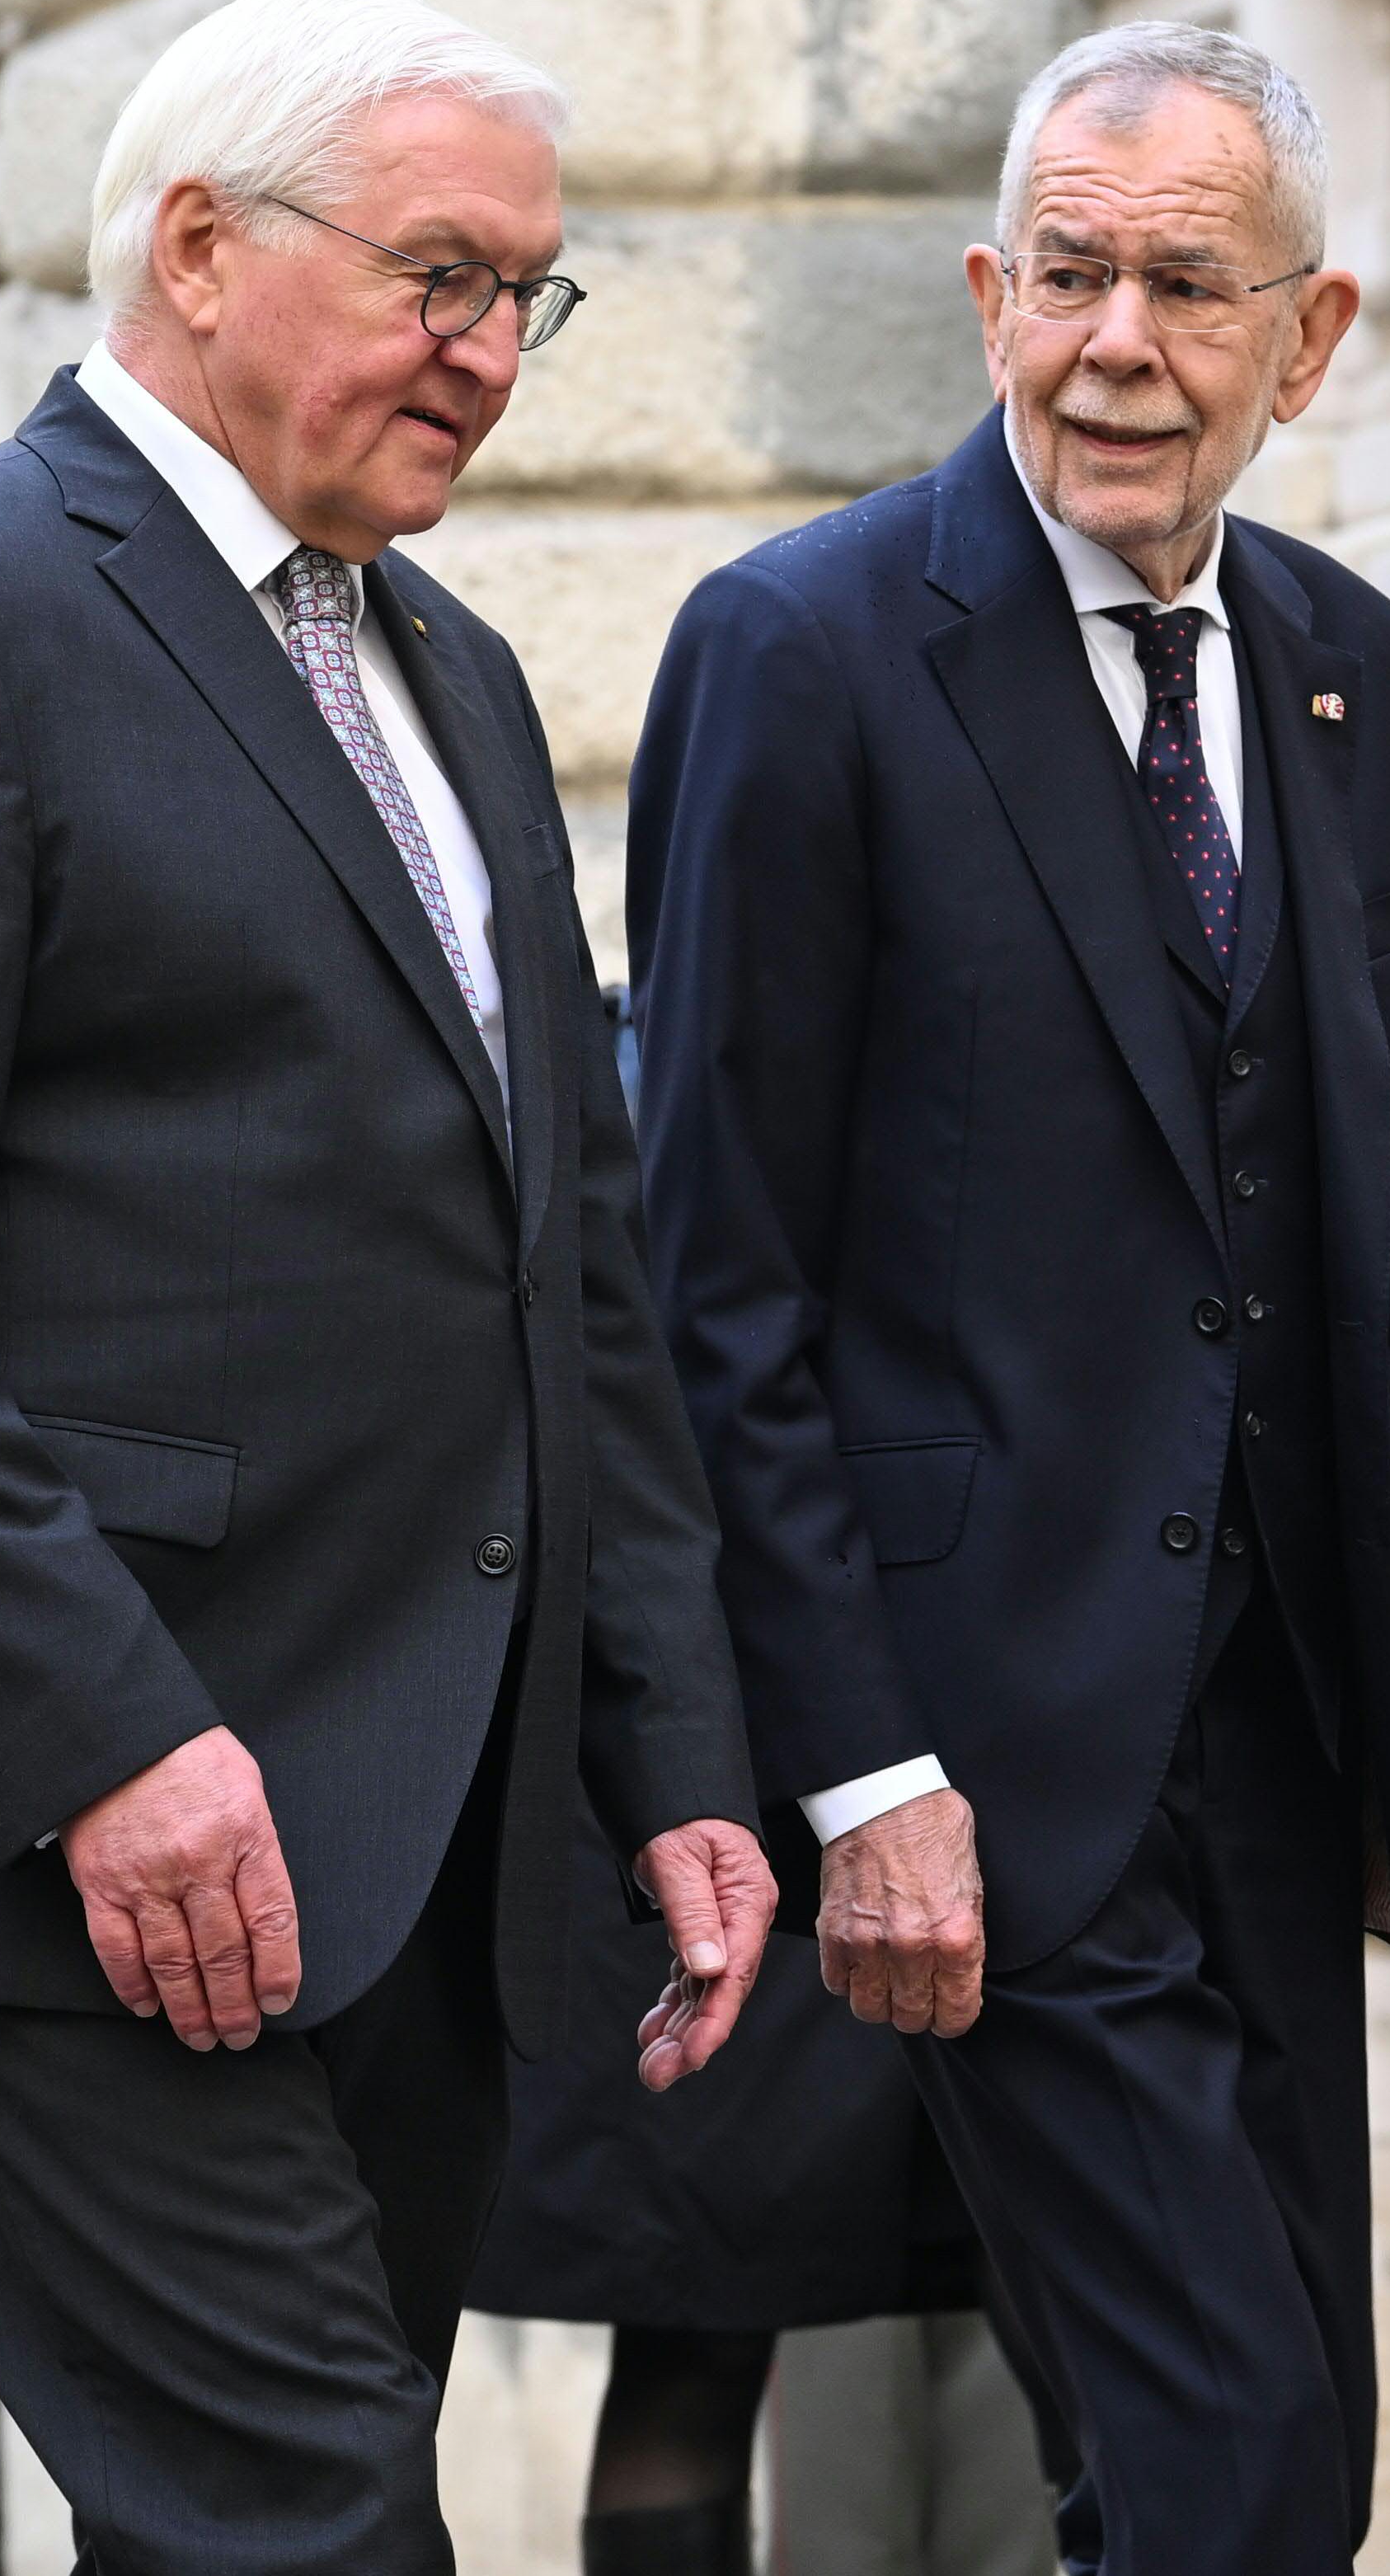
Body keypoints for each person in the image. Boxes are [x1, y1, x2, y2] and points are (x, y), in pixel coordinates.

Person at [0, 0, 774, 2576]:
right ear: (197, 246)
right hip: (53, 1823)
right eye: (443, 277)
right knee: (313, 2533)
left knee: (239, 2532)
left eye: (528, 298)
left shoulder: (459, 676)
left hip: (422, 1834)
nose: (494, 354)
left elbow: (568, 1262)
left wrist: (672, 1744)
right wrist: (104, 1736)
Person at [626, 21, 1390, 2576]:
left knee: (1268, 2475)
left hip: (1296, 1752)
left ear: (1314, 330)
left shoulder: (1361, 676)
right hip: (982, 1768)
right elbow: (714, 1275)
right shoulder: (798, 648)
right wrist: (857, 1771)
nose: (1116, 344)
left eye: (1185, 283)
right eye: (1067, 275)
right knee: (1227, 2464)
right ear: (985, 293)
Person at [466, 999, 1050, 2576]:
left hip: (793, 1771)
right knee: (703, 2329)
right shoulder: (694, 1082)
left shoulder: (642, 1075)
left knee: (713, 2339)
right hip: (712, 1794)